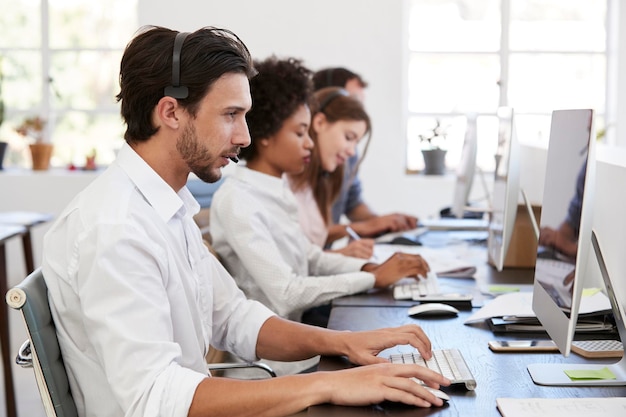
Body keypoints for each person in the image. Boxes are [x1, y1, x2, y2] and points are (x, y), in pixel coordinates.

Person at [41, 26, 449, 417]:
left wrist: (344, 343)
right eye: (231, 115)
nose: (245, 137)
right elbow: (157, 398)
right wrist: (326, 385)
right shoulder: (116, 228)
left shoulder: (168, 207)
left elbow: (235, 317)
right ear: (171, 112)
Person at [209, 56, 432, 373]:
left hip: (300, 351)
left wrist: (371, 267)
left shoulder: (274, 189)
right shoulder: (239, 201)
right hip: (271, 367)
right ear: (266, 135)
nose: (309, 144)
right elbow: (286, 293)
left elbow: (311, 257)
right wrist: (371, 277)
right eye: (300, 133)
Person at [312, 67, 419, 241]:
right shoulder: (296, 164)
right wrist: (365, 227)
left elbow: (353, 203)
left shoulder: (348, 156)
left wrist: (384, 223)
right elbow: (305, 236)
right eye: (353, 101)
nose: (358, 110)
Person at [288, 86, 376, 259]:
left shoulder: (317, 179)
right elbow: (289, 267)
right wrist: (341, 254)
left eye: (356, 142)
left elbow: (309, 246)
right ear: (319, 123)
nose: (352, 151)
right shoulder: (287, 178)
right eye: (349, 137)